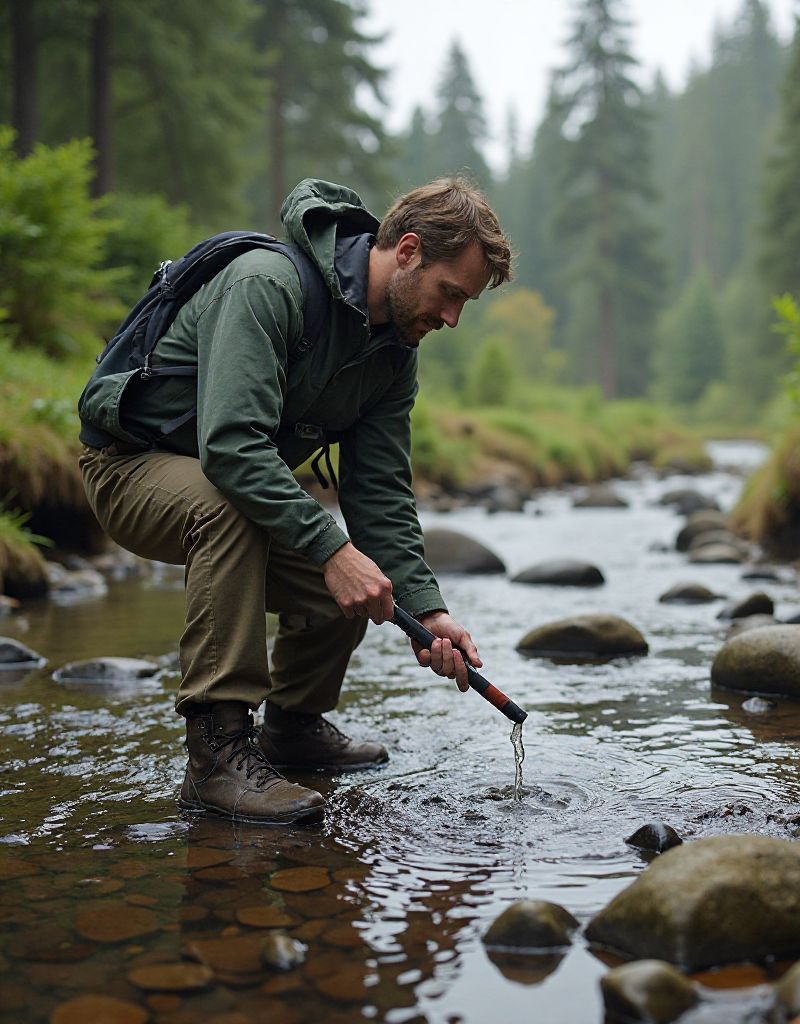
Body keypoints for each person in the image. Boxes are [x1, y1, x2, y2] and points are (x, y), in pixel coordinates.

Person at [77, 178, 513, 825]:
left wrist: (430, 611)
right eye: (451, 294)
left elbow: (382, 495)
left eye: (464, 305)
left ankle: (294, 725)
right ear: (409, 250)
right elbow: (231, 449)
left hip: (222, 483)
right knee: (251, 518)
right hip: (128, 467)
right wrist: (331, 549)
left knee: (363, 574)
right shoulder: (267, 285)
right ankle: (216, 756)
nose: (451, 319)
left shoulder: (393, 355)